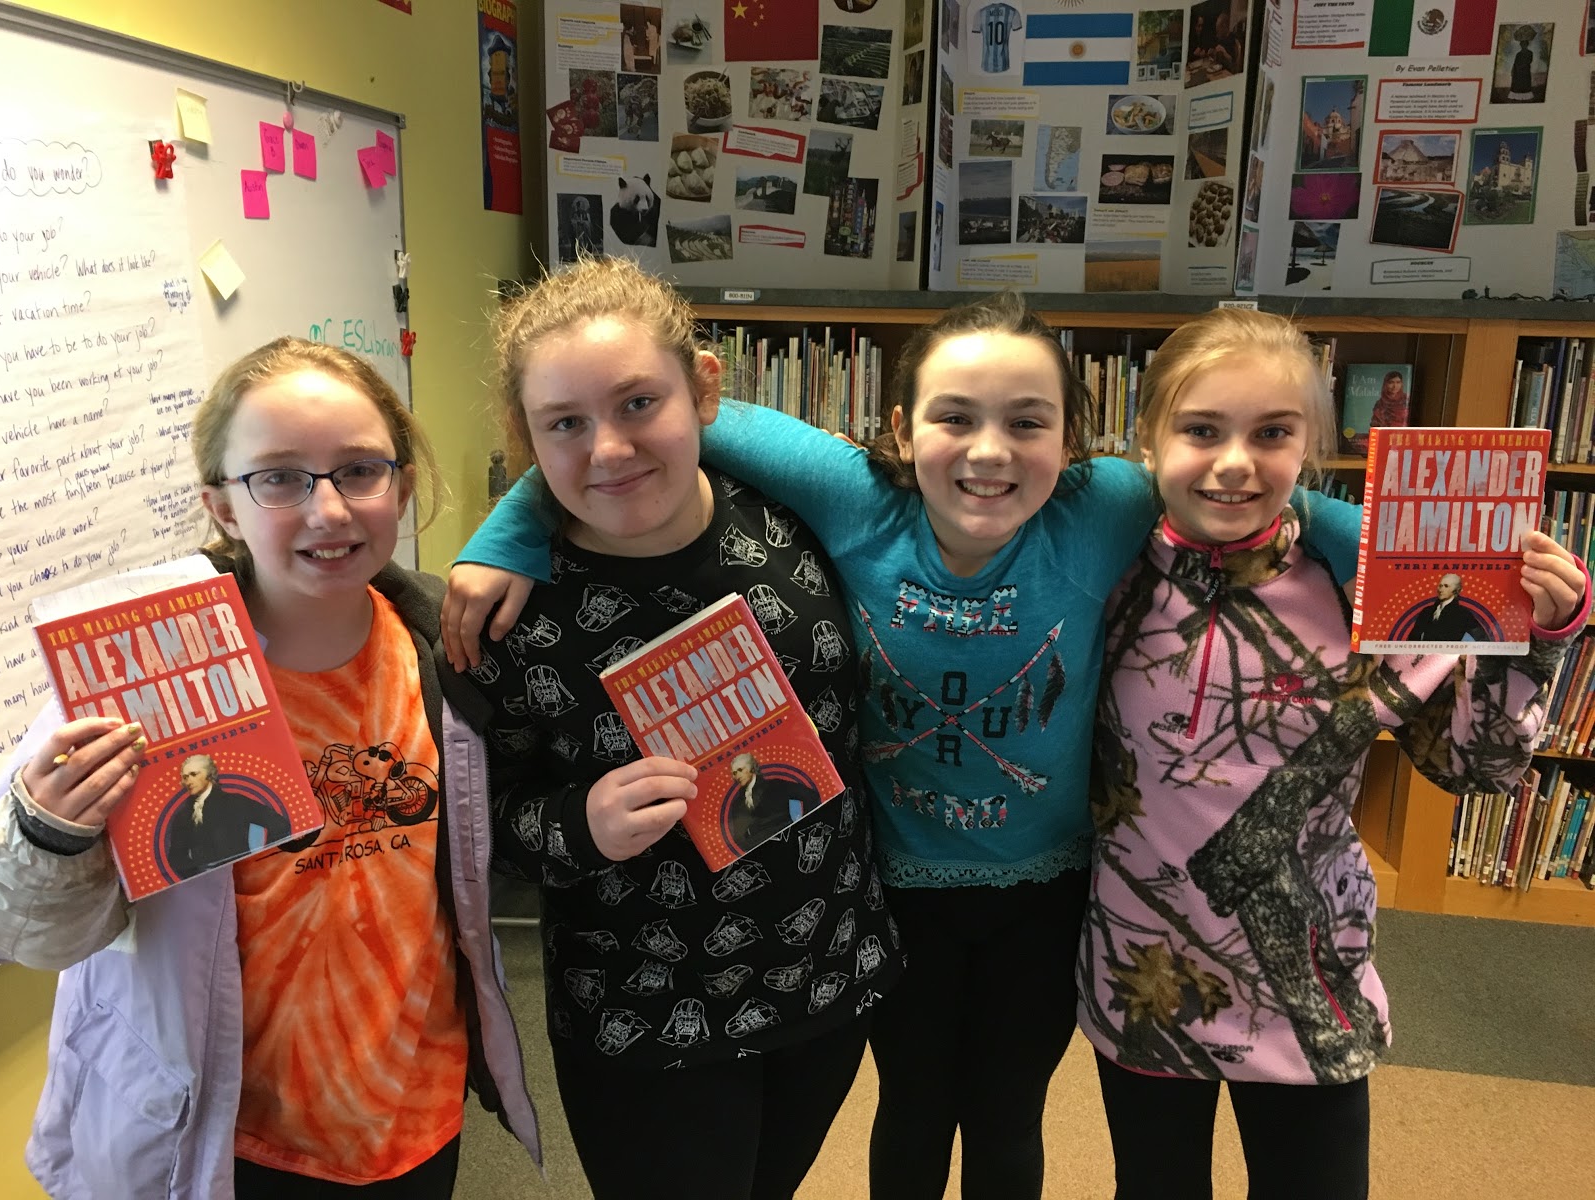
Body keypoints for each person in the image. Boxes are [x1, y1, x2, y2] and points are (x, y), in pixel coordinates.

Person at [442, 289, 1367, 1200]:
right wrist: (511, 528)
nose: (990, 451)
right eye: (954, 417)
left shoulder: (1103, 507)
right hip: (892, 893)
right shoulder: (855, 496)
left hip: (1044, 896)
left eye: (1028, 422)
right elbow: (659, 418)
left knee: (1009, 1120)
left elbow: (1247, 490)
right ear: (899, 429)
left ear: (1072, 444)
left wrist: (1385, 549)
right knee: (913, 1114)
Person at [0, 338, 540, 1198]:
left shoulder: (447, 651)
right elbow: (36, 933)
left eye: (359, 470)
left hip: (414, 1110)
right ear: (221, 504)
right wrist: (48, 828)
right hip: (222, 1138)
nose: (329, 510)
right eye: (279, 478)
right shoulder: (142, 672)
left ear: (400, 486)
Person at [1078, 308, 1587, 1199]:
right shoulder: (1100, 576)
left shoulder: (1363, 590)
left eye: (1273, 433)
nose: (1236, 462)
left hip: (1310, 977)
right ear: (1149, 439)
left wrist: (1536, 640)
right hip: (1145, 967)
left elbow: (1475, 768)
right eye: (1202, 430)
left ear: (1312, 446)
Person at [441, 255, 899, 1200]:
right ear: (527, 436)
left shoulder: (800, 518)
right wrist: (579, 824)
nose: (609, 449)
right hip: (646, 1012)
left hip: (825, 972)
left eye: (639, 403)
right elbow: (478, 826)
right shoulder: (504, 613)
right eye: (565, 423)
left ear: (705, 390)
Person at [164, 752, 292, 880]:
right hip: (205, 882)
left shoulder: (236, 802)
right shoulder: (182, 816)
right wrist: (198, 875)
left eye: (194, 774)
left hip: (245, 876)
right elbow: (176, 858)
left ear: (209, 774)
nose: (188, 781)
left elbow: (279, 825)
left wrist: (261, 860)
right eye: (185, 777)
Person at [727, 751, 819, 848]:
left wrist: (804, 823)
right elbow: (739, 838)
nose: (737, 776)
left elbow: (811, 796)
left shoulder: (775, 785)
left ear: (751, 768)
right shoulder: (737, 804)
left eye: (740, 770)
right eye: (734, 773)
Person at [1410, 571, 1490, 642]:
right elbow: (1412, 639)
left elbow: (1483, 640)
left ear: (1456, 590)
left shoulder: (1463, 614)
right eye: (1440, 586)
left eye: (1446, 586)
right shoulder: (1426, 611)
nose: (1441, 589)